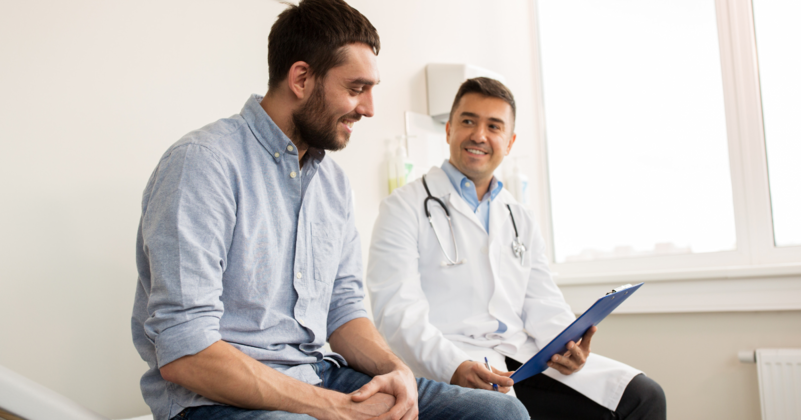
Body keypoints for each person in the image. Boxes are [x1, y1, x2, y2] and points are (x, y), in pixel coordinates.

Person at [130, 2, 529, 419]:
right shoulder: (203, 164)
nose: (369, 108)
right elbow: (185, 351)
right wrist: (336, 410)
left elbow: (344, 310)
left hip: (319, 374)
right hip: (214, 401)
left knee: (501, 415)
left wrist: (397, 371)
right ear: (301, 78)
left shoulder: (332, 185)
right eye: (357, 89)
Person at [367, 77, 667, 419]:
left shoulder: (518, 214)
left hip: (520, 359)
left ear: (508, 142)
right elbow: (397, 314)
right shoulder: (403, 207)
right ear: (448, 129)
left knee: (644, 397)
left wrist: (568, 344)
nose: (479, 135)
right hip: (449, 362)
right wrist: (454, 365)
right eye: (468, 121)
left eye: (493, 126)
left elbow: (542, 300)